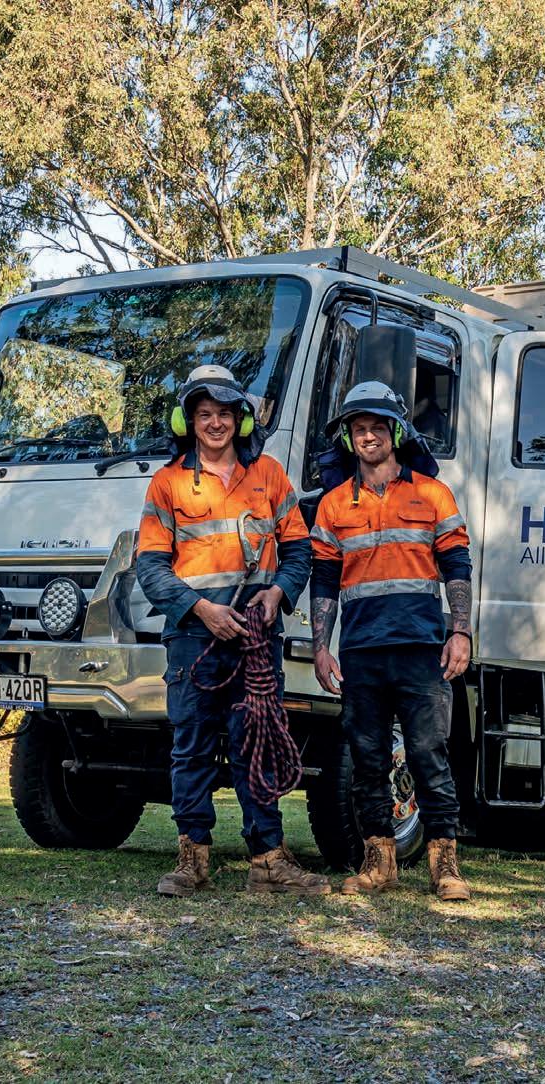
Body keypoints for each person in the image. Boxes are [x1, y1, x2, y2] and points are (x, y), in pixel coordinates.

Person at [136, 365, 328, 897]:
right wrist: (202, 610)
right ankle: (192, 860)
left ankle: (268, 862)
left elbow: (299, 550)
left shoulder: (269, 474)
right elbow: (150, 567)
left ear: (241, 419)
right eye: (204, 414)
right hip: (194, 639)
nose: (215, 423)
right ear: (188, 422)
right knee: (192, 749)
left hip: (256, 640)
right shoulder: (168, 482)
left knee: (256, 744)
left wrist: (278, 592)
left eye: (224, 413)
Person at [308, 381, 474, 901]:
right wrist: (320, 646)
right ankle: (379, 863)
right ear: (348, 438)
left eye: (377, 427)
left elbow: (457, 566)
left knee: (428, 754)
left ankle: (445, 867)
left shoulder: (432, 494)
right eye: (359, 428)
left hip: (422, 649)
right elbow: (323, 580)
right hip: (361, 652)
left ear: (396, 432)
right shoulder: (333, 504)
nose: (368, 436)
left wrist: (461, 631)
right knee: (368, 759)